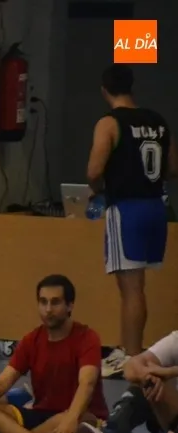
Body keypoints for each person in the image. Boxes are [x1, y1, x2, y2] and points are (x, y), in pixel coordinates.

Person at [85, 65, 177, 378]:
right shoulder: (158, 121)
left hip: (127, 209)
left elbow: (94, 171)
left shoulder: (109, 123)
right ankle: (132, 351)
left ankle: (131, 356)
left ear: (104, 90)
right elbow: (173, 168)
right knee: (138, 287)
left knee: (131, 289)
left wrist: (98, 190)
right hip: (156, 208)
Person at [0, 275, 108, 433]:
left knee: (84, 423)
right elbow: (4, 381)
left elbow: (87, 383)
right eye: (43, 302)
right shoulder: (31, 340)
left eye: (55, 302)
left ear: (70, 306)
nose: (48, 309)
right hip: (41, 415)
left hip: (76, 414)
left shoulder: (87, 338)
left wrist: (71, 418)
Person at [77, 329, 178, 433]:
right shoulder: (175, 340)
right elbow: (130, 366)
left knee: (153, 376)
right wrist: (147, 376)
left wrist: (167, 372)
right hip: (171, 419)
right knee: (147, 381)